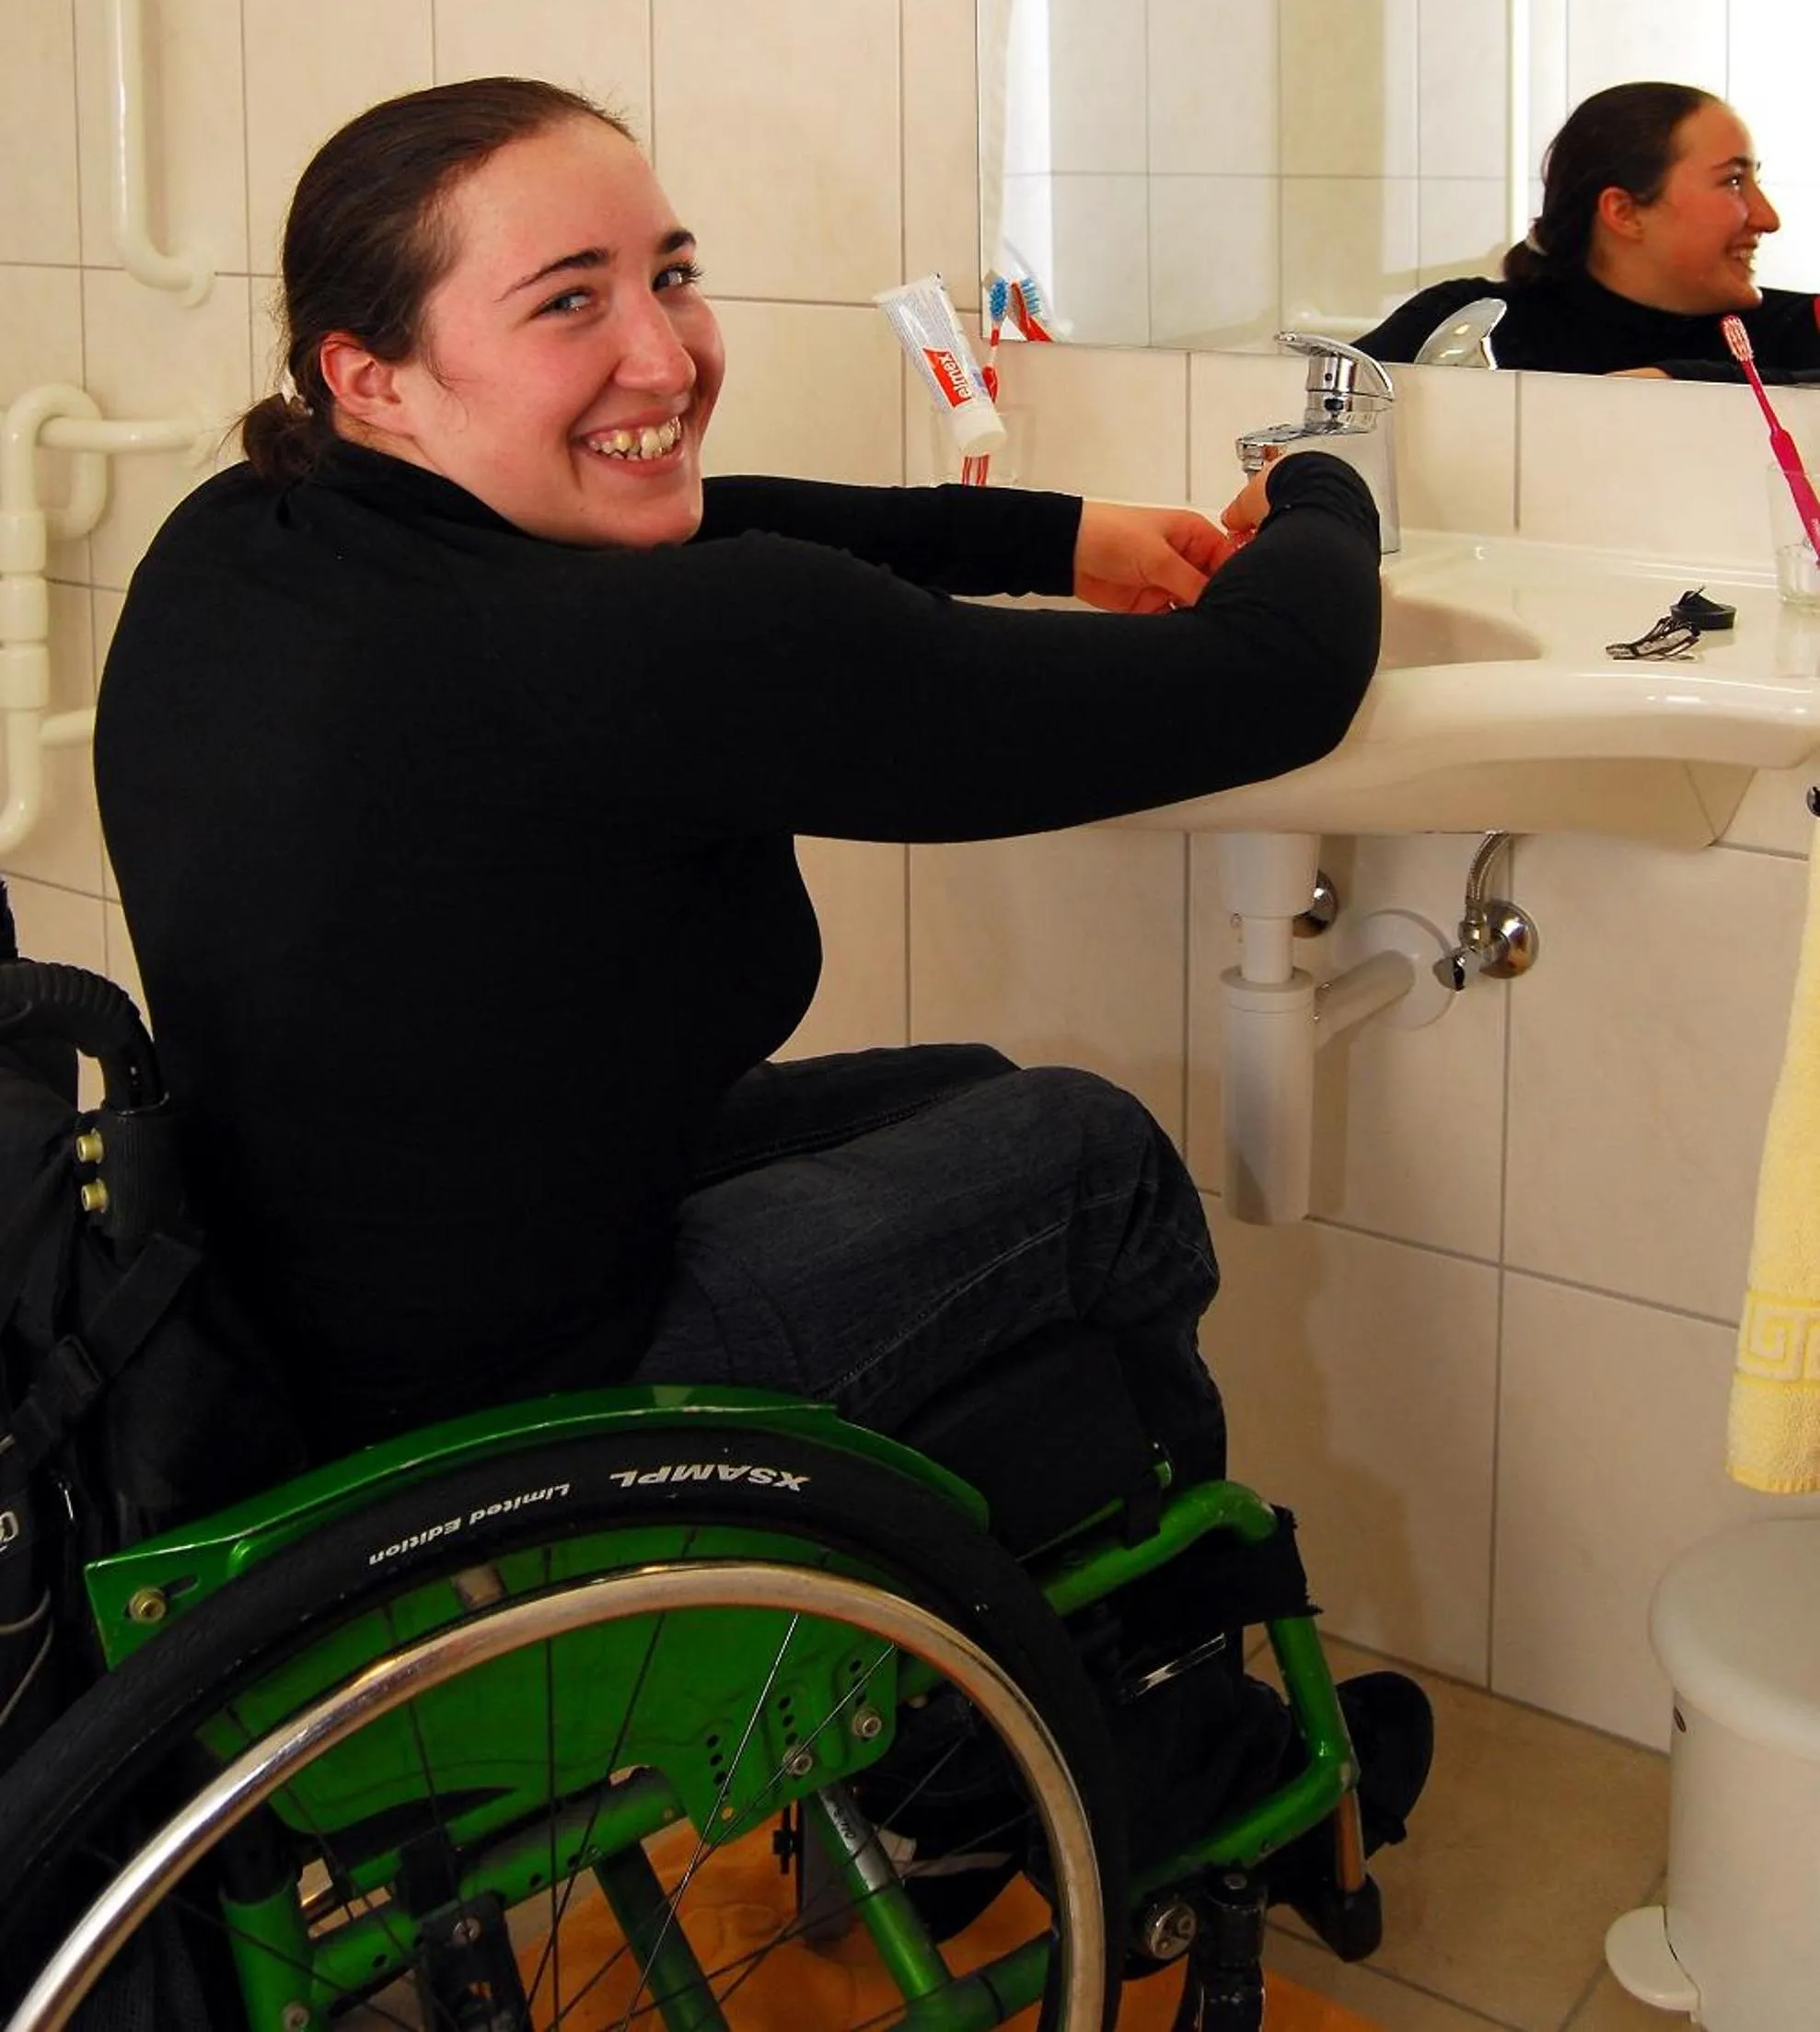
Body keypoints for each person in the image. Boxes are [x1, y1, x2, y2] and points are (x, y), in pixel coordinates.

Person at [93, 75, 1381, 1495]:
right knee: (1090, 1155)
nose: (666, 357)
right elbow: (1279, 679)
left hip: (285, 1348)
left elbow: (706, 509)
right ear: (372, 375)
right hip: (501, 1425)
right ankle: (1169, 1687)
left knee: (968, 1091)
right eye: (568, 301)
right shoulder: (645, 648)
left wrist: (1059, 537)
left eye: (674, 275)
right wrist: (1323, 485)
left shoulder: (235, 536)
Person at [1360, 83, 1820, 378]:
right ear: (1624, 212)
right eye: (1733, 181)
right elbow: (1297, 398)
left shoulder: (1794, 334)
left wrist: (1677, 379)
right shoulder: (1470, 324)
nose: (1767, 217)